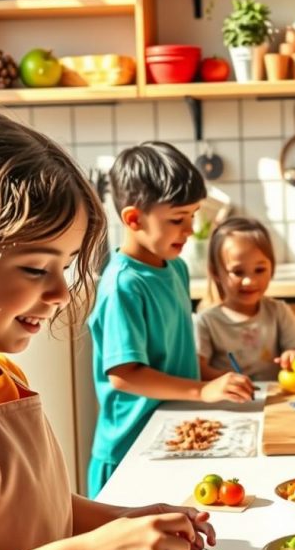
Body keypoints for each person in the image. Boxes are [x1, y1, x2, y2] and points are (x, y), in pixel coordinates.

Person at [0, 112, 215, 550]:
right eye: (36, 268)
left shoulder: (3, 373)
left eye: (68, 265)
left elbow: (33, 509)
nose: (61, 292)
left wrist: (124, 522)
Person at [88, 143, 253, 497]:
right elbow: (124, 375)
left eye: (193, 216)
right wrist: (202, 391)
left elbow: (173, 350)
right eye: (177, 220)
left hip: (171, 434)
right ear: (133, 219)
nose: (190, 229)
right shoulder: (123, 284)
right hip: (128, 449)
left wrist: (214, 378)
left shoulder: (175, 268)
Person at [194, 216, 295, 380]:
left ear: (271, 268)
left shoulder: (279, 311)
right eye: (238, 272)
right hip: (231, 401)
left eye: (259, 270)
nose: (249, 281)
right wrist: (224, 380)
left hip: (274, 399)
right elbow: (198, 370)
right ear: (216, 272)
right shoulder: (205, 321)